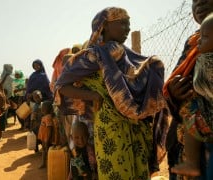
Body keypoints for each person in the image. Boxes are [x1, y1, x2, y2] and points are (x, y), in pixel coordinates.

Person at [56, 7, 167, 179]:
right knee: (116, 171)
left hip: (136, 125)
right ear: (105, 26)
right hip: (110, 127)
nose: (128, 29)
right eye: (122, 23)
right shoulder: (92, 56)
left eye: (129, 24)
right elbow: (62, 85)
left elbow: (146, 79)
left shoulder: (128, 56)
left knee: (139, 171)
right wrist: (93, 96)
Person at [163, 1, 213, 179]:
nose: (200, 3)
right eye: (195, 0)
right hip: (190, 135)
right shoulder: (193, 42)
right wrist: (174, 91)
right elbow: (179, 74)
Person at [37, 100, 55, 169]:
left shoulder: (48, 117)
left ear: (48, 109)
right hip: (44, 137)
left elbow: (49, 128)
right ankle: (44, 163)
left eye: (43, 108)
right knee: (44, 150)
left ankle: (46, 163)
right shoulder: (45, 116)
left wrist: (48, 139)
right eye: (42, 108)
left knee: (46, 150)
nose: (42, 109)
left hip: (46, 138)